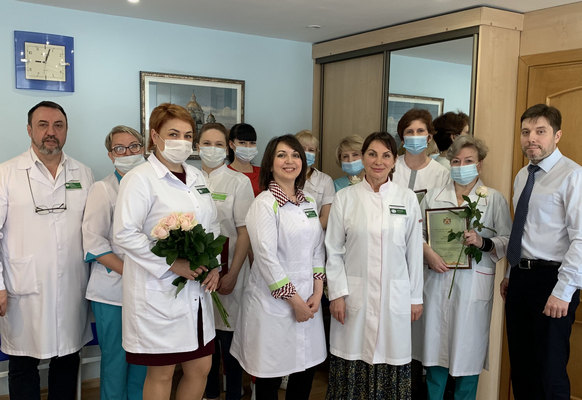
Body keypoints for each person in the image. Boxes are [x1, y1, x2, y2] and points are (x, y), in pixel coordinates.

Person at [113, 103, 220, 400]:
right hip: (159, 292)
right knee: (162, 373)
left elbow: (212, 224)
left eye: (188, 135)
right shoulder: (140, 178)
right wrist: (173, 264)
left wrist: (214, 264)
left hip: (197, 290)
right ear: (155, 136)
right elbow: (124, 233)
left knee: (201, 367)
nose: (181, 142)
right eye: (173, 134)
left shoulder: (197, 177)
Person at [0, 101, 94, 399]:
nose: (51, 132)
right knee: (23, 362)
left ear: (66, 130)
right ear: (29, 130)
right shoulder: (7, 173)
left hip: (72, 285)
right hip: (23, 286)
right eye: (43, 125)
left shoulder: (83, 173)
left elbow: (93, 232)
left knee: (67, 359)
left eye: (58, 125)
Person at [325, 131, 423, 399]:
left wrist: (415, 297)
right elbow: (333, 250)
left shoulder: (407, 198)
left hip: (394, 298)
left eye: (386, 155)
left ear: (394, 161)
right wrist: (337, 294)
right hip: (353, 297)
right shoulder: (346, 198)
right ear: (363, 158)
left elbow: (414, 252)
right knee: (352, 356)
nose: (378, 161)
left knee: (391, 355)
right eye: (372, 154)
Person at [412, 136, 511, 400]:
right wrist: (428, 253)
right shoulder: (433, 196)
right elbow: (415, 234)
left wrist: (482, 241)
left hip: (472, 287)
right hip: (436, 281)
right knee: (435, 355)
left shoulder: (494, 199)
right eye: (456, 161)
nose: (461, 166)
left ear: (479, 165)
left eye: (468, 161)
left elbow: (507, 240)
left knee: (468, 356)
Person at [230, 135, 326, 400]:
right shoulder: (264, 203)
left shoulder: (309, 201)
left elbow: (317, 248)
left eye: (295, 155)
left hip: (309, 299)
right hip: (274, 304)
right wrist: (295, 302)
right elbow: (266, 258)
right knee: (270, 375)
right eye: (281, 155)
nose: (289, 161)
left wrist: (318, 292)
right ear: (270, 164)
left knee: (305, 370)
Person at [500, 104, 582, 400]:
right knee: (522, 368)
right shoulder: (523, 175)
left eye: (540, 131)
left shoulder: (573, 176)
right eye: (525, 132)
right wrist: (510, 274)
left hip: (553, 281)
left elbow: (581, 238)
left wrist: (563, 291)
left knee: (549, 372)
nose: (531, 138)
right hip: (520, 279)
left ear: (557, 135)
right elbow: (523, 230)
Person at [82, 125, 148, 399]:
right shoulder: (103, 189)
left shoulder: (152, 184)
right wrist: (132, 272)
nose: (128, 153)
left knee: (143, 358)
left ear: (143, 148)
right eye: (119, 148)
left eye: (134, 146)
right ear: (110, 155)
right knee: (116, 359)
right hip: (112, 292)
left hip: (148, 288)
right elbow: (94, 243)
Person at [197, 123, 254, 400]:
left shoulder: (238, 182)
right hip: (195, 275)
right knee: (203, 342)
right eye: (207, 143)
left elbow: (245, 232)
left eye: (219, 144)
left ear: (228, 147)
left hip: (230, 271)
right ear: (197, 146)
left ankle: (233, 393)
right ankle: (209, 394)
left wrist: (232, 274)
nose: (212, 149)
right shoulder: (189, 179)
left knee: (229, 340)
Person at [392, 109, 450, 196]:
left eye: (420, 131)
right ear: (402, 140)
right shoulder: (391, 167)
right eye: (409, 132)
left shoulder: (442, 174)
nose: (415, 136)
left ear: (429, 138)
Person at [295, 130, 335, 229]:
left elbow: (325, 218)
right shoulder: (285, 177)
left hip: (316, 234)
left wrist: (309, 233)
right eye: (302, 149)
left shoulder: (325, 180)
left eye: (311, 150)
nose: (306, 153)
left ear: (316, 153)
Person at [227, 123, 261, 197]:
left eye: (252, 143)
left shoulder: (263, 174)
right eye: (242, 143)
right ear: (231, 144)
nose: (248, 147)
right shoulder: (224, 173)